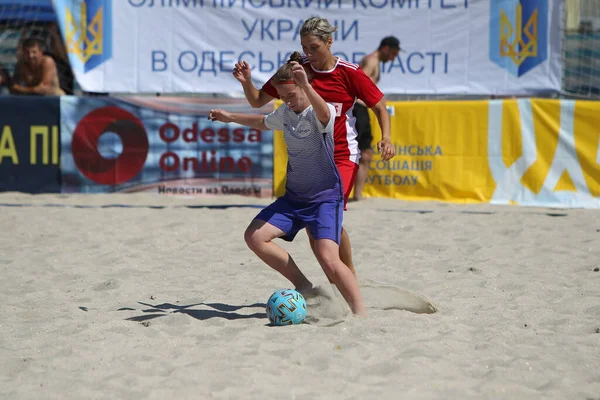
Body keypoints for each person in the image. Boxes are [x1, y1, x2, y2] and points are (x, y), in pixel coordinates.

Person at [232, 17, 396, 279]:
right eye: (304, 47)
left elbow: (379, 105)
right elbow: (257, 101)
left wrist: (386, 137)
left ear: (329, 42)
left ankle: (345, 276)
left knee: (323, 218)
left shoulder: (349, 72)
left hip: (343, 156)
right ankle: (340, 278)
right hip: (312, 159)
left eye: (314, 47)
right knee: (319, 223)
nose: (309, 54)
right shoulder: (297, 70)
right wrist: (246, 82)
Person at [209, 53, 366, 315]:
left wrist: (305, 85)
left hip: (325, 198)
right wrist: (230, 116)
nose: (287, 101)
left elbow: (324, 112)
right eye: (282, 96)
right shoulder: (285, 111)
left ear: (305, 87)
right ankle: (304, 287)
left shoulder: (320, 111)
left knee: (328, 258)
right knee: (255, 237)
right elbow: (262, 121)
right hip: (295, 198)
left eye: (291, 95)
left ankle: (361, 313)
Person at [353, 36, 401, 201]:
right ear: (385, 48)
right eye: (393, 53)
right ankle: (352, 194)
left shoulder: (374, 61)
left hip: (362, 109)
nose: (393, 58)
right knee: (359, 153)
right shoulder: (372, 60)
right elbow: (360, 84)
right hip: (358, 109)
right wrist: (378, 101)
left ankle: (357, 194)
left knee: (365, 153)